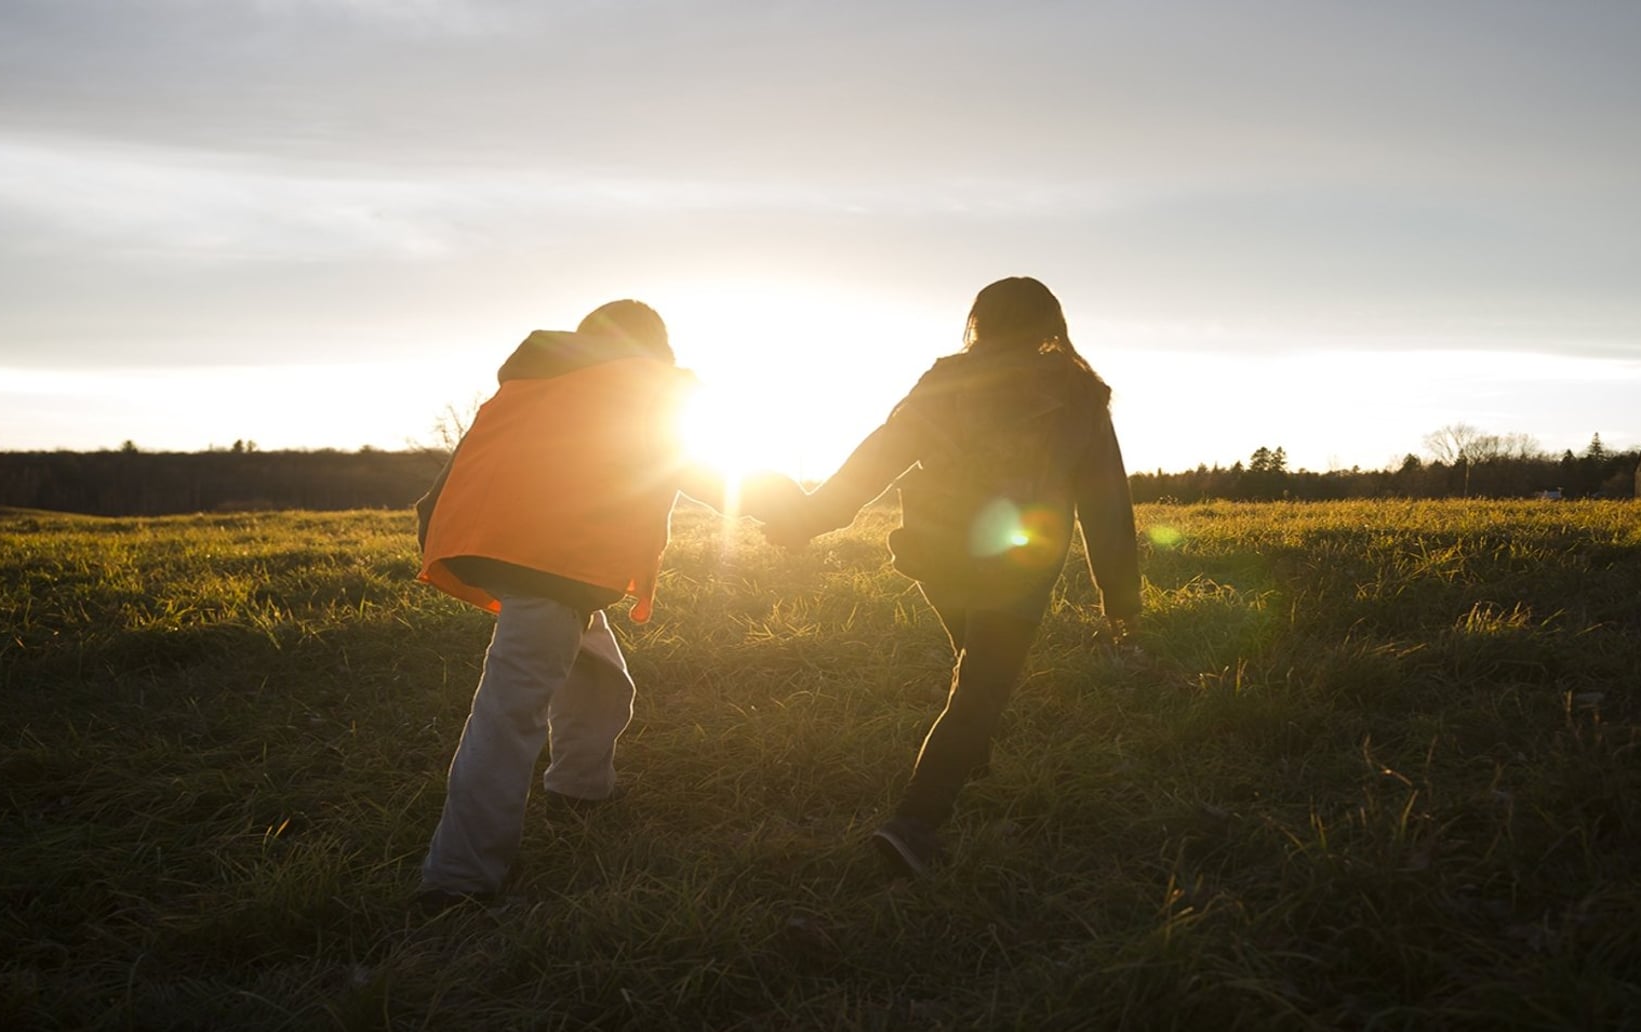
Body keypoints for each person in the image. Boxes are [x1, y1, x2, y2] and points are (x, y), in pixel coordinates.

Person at [412, 299, 801, 908]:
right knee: (509, 714)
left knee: (598, 673)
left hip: (501, 550)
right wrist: (791, 507)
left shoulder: (532, 381)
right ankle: (457, 876)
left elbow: (451, 476)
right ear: (657, 347)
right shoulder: (649, 385)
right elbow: (703, 467)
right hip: (553, 562)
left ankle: (580, 787)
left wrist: (450, 544)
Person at [766, 277, 1141, 876]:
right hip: (1017, 560)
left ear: (980, 322)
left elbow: (881, 454)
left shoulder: (947, 379)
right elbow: (1105, 501)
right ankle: (914, 824)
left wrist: (814, 517)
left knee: (976, 663)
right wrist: (1120, 597)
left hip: (936, 553)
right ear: (1051, 325)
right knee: (983, 684)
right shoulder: (1078, 394)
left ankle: (974, 758)